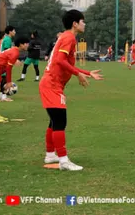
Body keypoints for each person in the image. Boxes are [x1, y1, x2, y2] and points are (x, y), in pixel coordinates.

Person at [39, 10, 103, 171]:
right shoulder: (69, 37)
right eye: (83, 21)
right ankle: (63, 161)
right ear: (75, 23)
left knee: (54, 121)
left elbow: (65, 62)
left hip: (52, 84)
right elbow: (60, 61)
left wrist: (86, 73)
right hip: (52, 85)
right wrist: (78, 73)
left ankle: (50, 154)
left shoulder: (65, 36)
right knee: (60, 121)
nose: (84, 24)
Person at [0, 36, 30, 123]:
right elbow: (8, 68)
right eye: (26, 43)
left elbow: (6, 60)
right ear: (21, 44)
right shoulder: (15, 52)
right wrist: (8, 82)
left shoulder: (14, 51)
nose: (28, 45)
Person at [0, 26, 16, 102]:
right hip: (4, 61)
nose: (15, 32)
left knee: (3, 78)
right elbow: (6, 52)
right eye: (14, 31)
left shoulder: (6, 39)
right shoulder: (8, 39)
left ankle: (2, 95)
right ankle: (4, 96)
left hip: (2, 61)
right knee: (4, 78)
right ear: (10, 31)